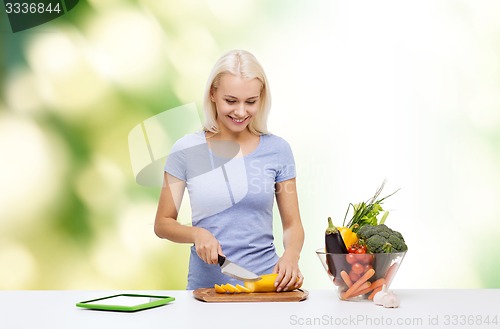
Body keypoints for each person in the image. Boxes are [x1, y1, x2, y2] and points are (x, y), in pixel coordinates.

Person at [154, 49, 304, 291]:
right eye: (231, 101)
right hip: (206, 289)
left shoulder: (278, 150)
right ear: (213, 93)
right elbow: (162, 223)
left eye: (251, 102)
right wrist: (196, 234)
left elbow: (292, 224)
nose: (241, 112)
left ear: (261, 97)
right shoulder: (186, 150)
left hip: (267, 286)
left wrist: (291, 255)